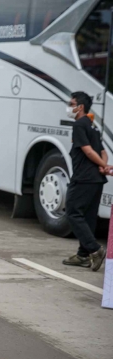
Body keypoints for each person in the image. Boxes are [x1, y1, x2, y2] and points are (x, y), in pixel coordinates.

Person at [63, 92, 108, 272]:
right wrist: (104, 166)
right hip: (96, 179)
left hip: (84, 177)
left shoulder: (79, 124)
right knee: (88, 216)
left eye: (71, 103)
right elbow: (102, 151)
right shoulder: (92, 125)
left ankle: (95, 250)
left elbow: (89, 151)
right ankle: (83, 256)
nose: (68, 106)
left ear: (80, 107)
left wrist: (100, 165)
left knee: (73, 212)